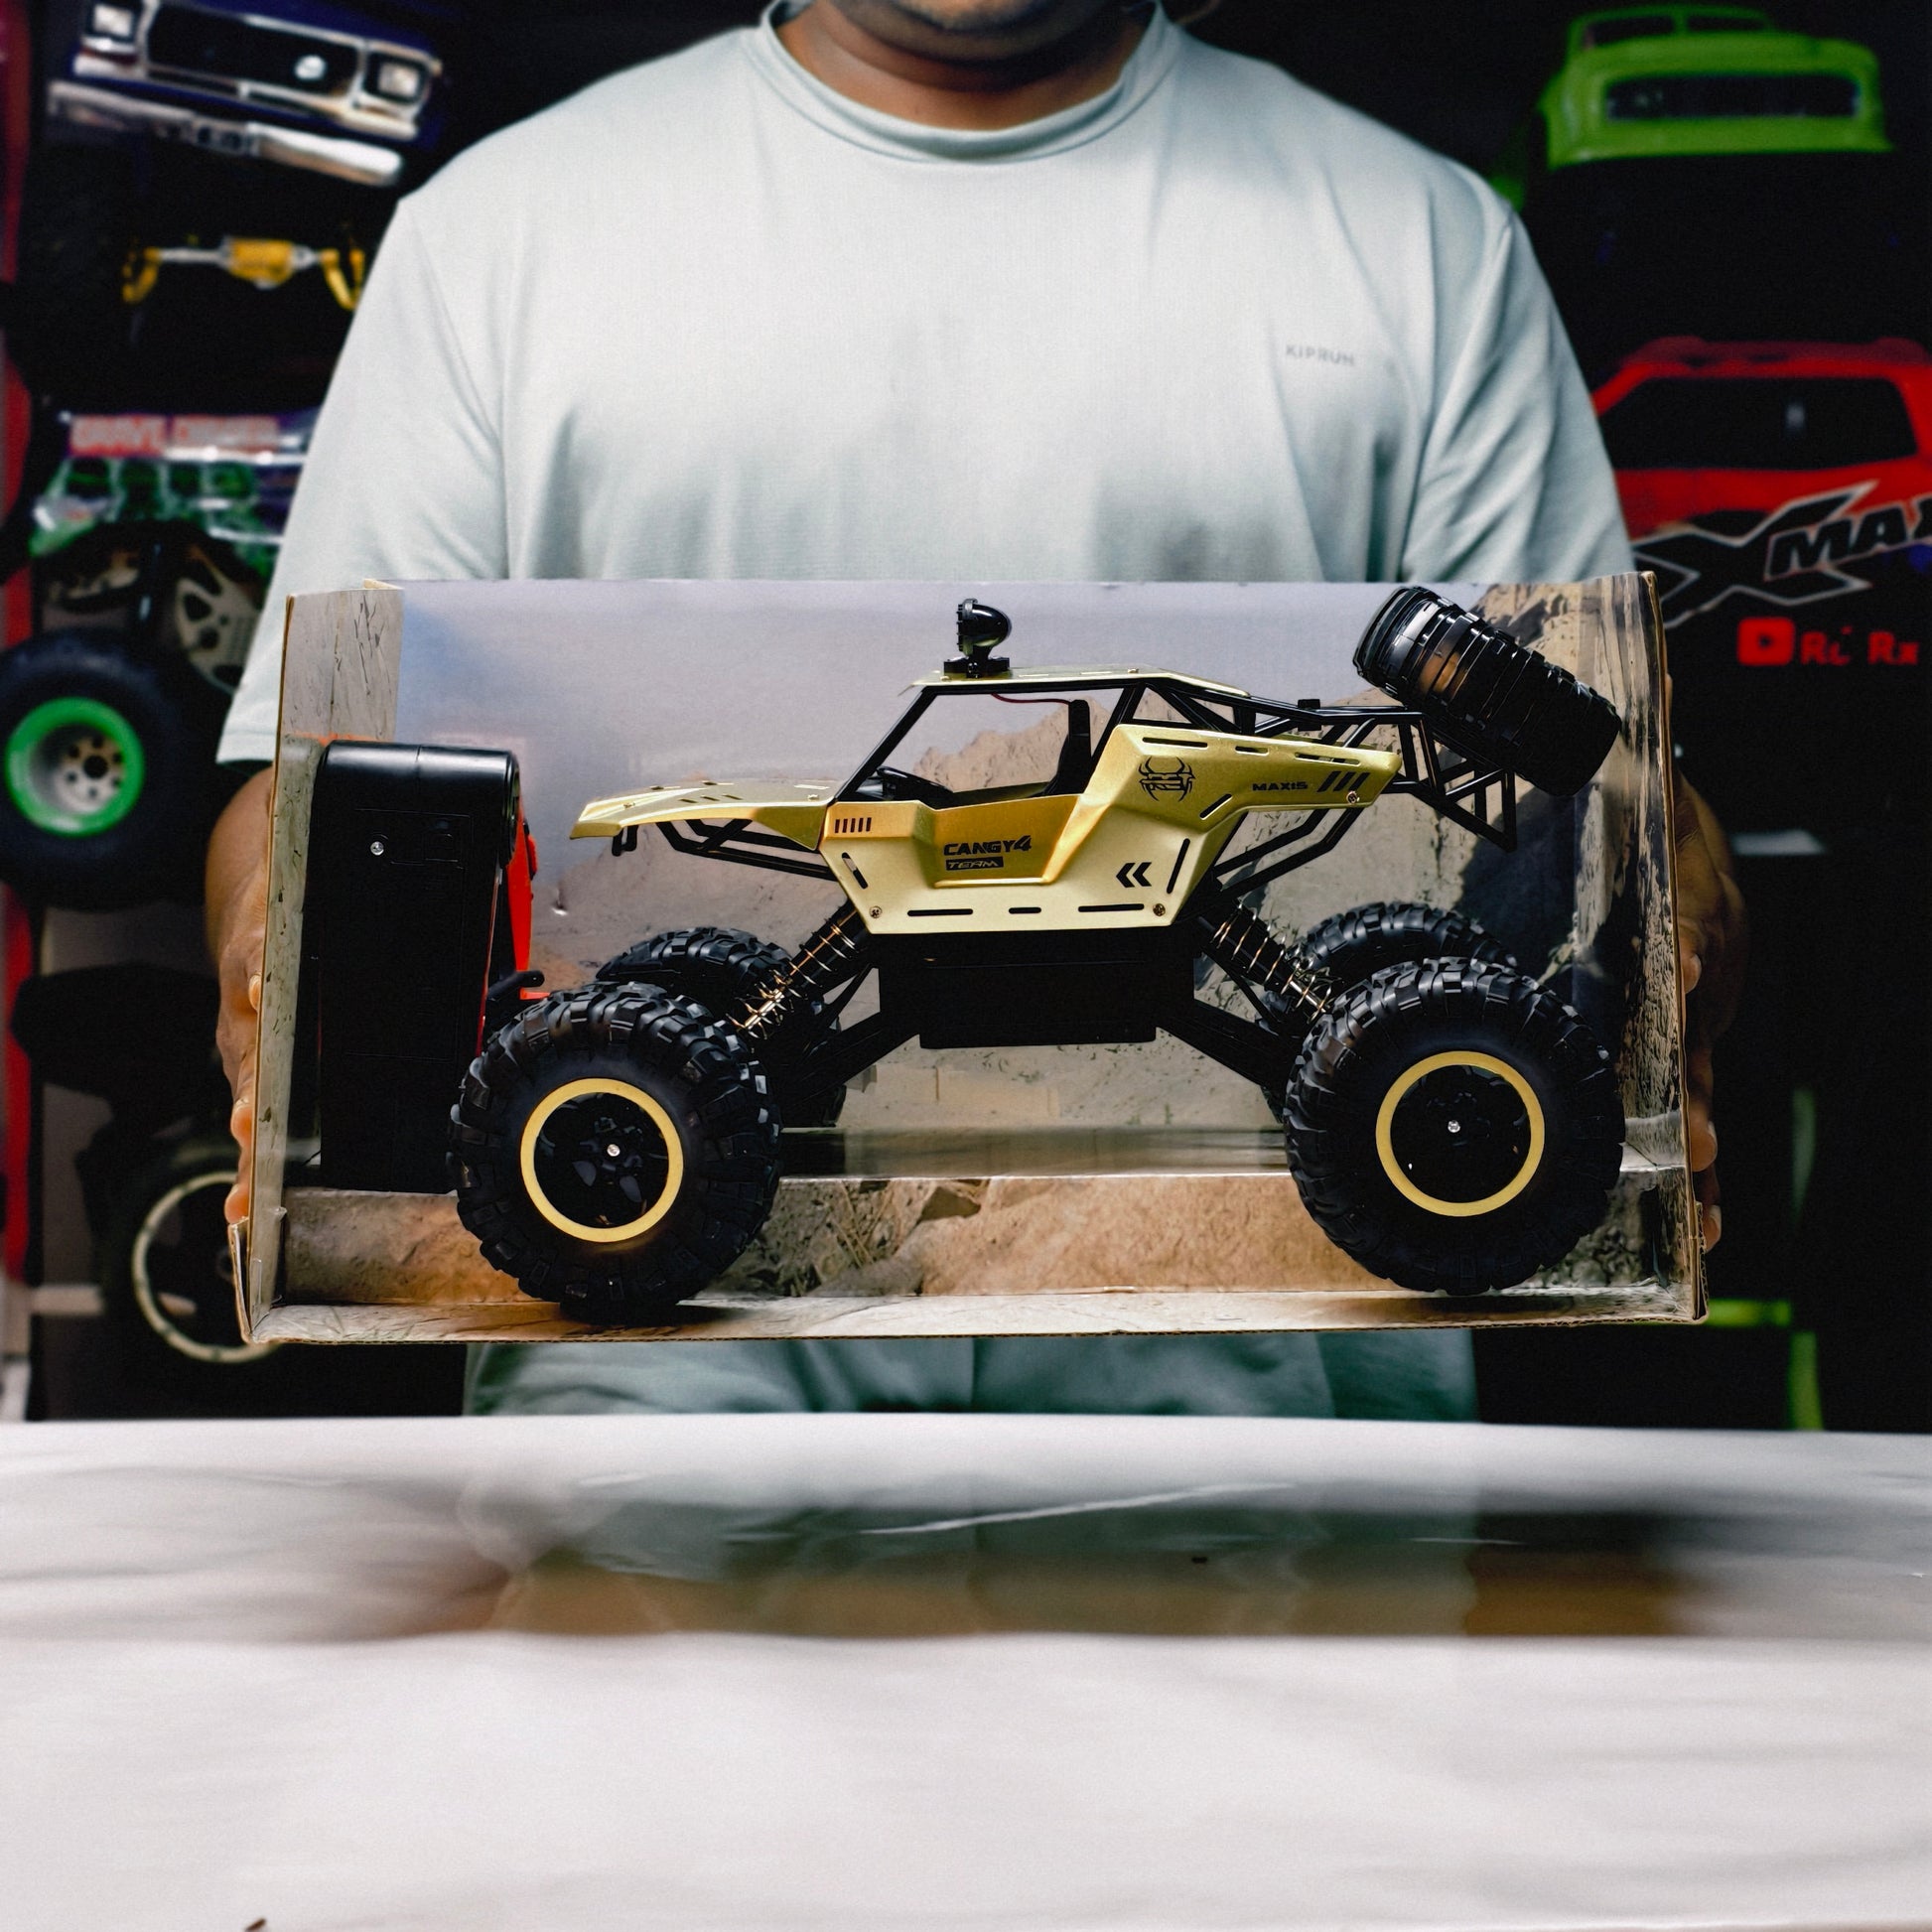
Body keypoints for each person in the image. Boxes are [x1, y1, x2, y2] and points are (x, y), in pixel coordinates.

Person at [207, 0, 1743, 1419]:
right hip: (651, 1415)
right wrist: (277, 971)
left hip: (1285, 1424)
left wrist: (1657, 961)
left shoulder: (1418, 245)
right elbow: (315, 786)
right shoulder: (501, 236)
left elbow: (1612, 804)